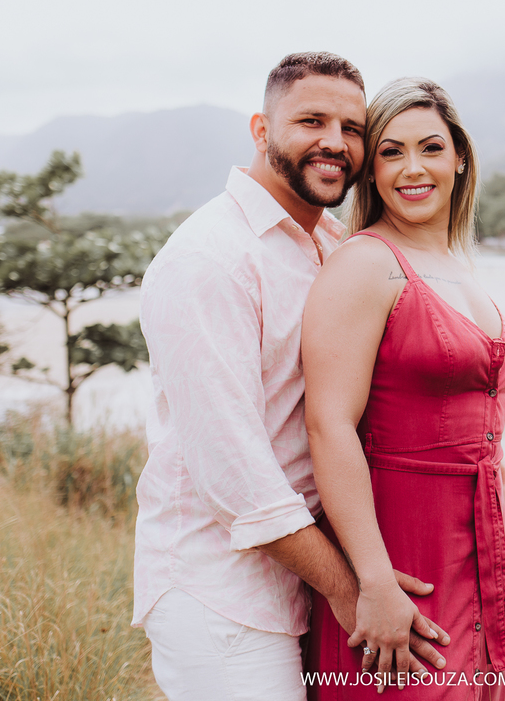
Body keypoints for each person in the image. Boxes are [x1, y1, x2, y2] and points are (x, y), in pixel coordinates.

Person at [133, 54, 448, 701]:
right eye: (312, 120)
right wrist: (353, 587)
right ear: (260, 129)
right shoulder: (209, 260)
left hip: (305, 577)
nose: (335, 142)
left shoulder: (335, 246)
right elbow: (234, 474)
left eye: (352, 128)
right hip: (222, 593)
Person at [302, 77, 505, 699]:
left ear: (460, 157)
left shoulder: (458, 268)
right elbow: (329, 424)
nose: (413, 169)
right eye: (391, 153)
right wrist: (372, 581)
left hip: (474, 545)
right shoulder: (365, 264)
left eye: (429, 148)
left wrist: (501, 475)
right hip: (402, 546)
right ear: (369, 175)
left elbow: (476, 396)